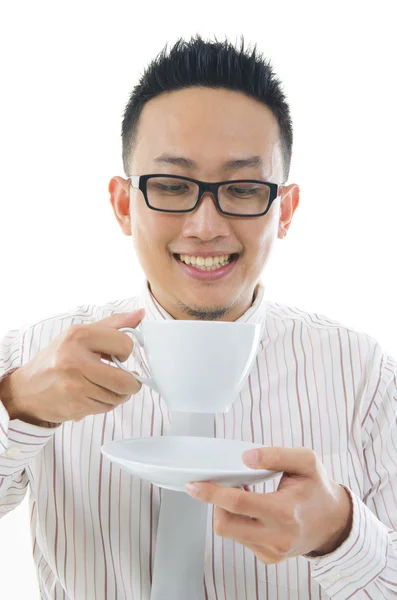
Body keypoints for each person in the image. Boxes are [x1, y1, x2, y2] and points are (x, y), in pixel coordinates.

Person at [0, 34, 396, 600]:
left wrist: (341, 534)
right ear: (123, 204)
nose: (205, 226)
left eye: (240, 188)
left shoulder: (363, 376)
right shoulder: (35, 354)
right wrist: (16, 404)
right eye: (171, 185)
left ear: (283, 210)